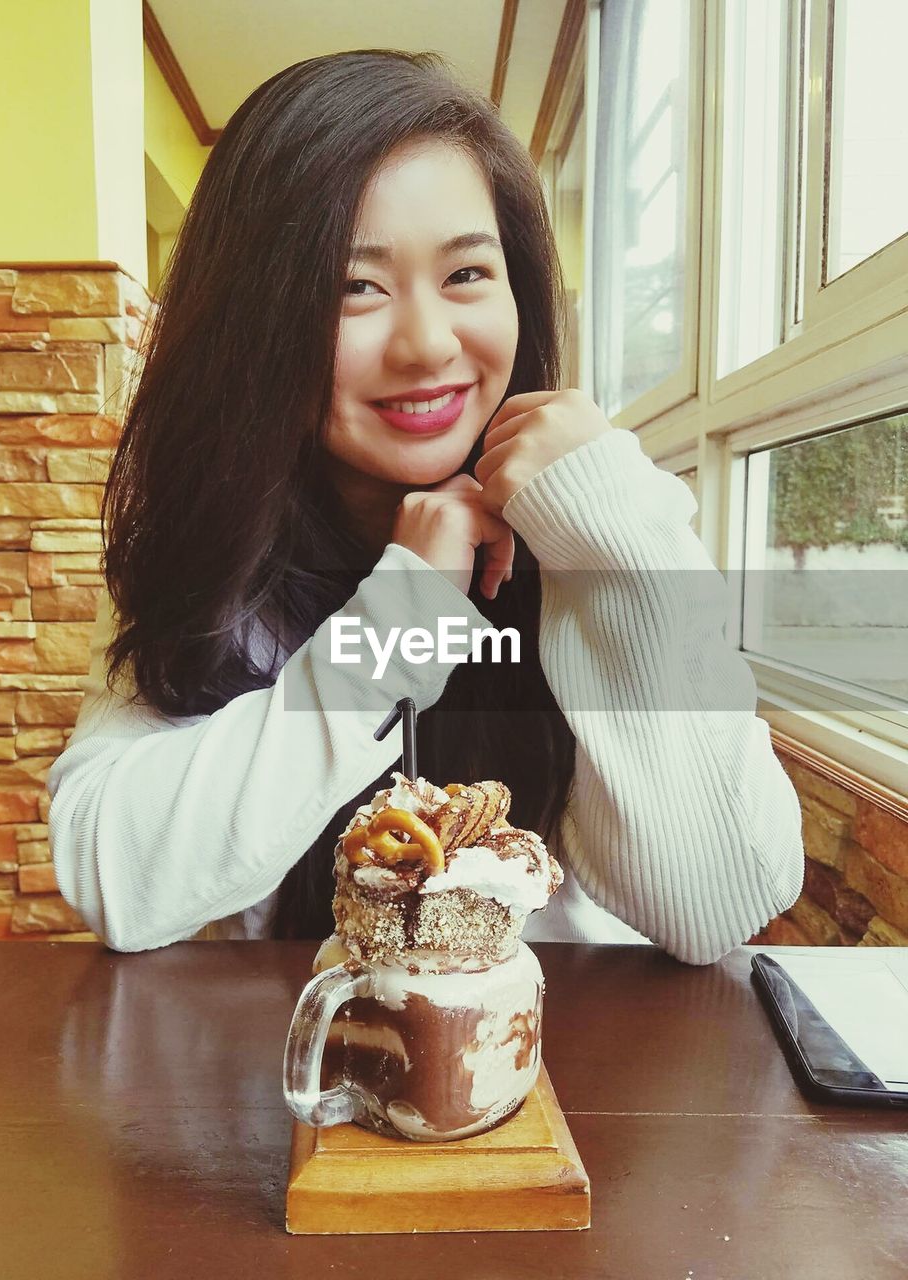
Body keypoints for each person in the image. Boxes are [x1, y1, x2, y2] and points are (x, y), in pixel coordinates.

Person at [47, 49, 804, 961]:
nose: (425, 343)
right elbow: (114, 878)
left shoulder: (600, 519)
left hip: (548, 1079)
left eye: (466, 275)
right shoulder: (206, 548)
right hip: (293, 1076)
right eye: (352, 287)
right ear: (257, 321)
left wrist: (609, 541)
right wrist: (400, 620)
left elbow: (713, 907)